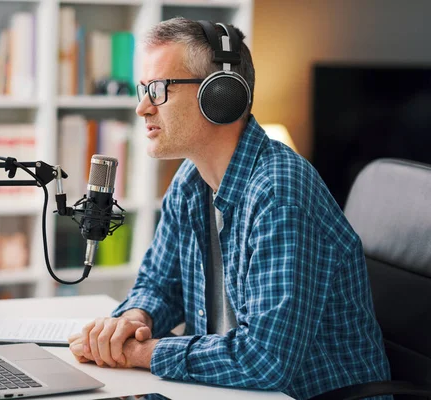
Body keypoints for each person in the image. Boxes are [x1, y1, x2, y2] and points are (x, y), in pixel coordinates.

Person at [68, 17, 390, 400]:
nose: (142, 108)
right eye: (143, 89)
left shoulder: (280, 192)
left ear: (220, 94)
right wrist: (135, 319)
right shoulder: (190, 182)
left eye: (156, 89)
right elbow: (159, 286)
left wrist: (144, 352)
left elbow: (266, 360)